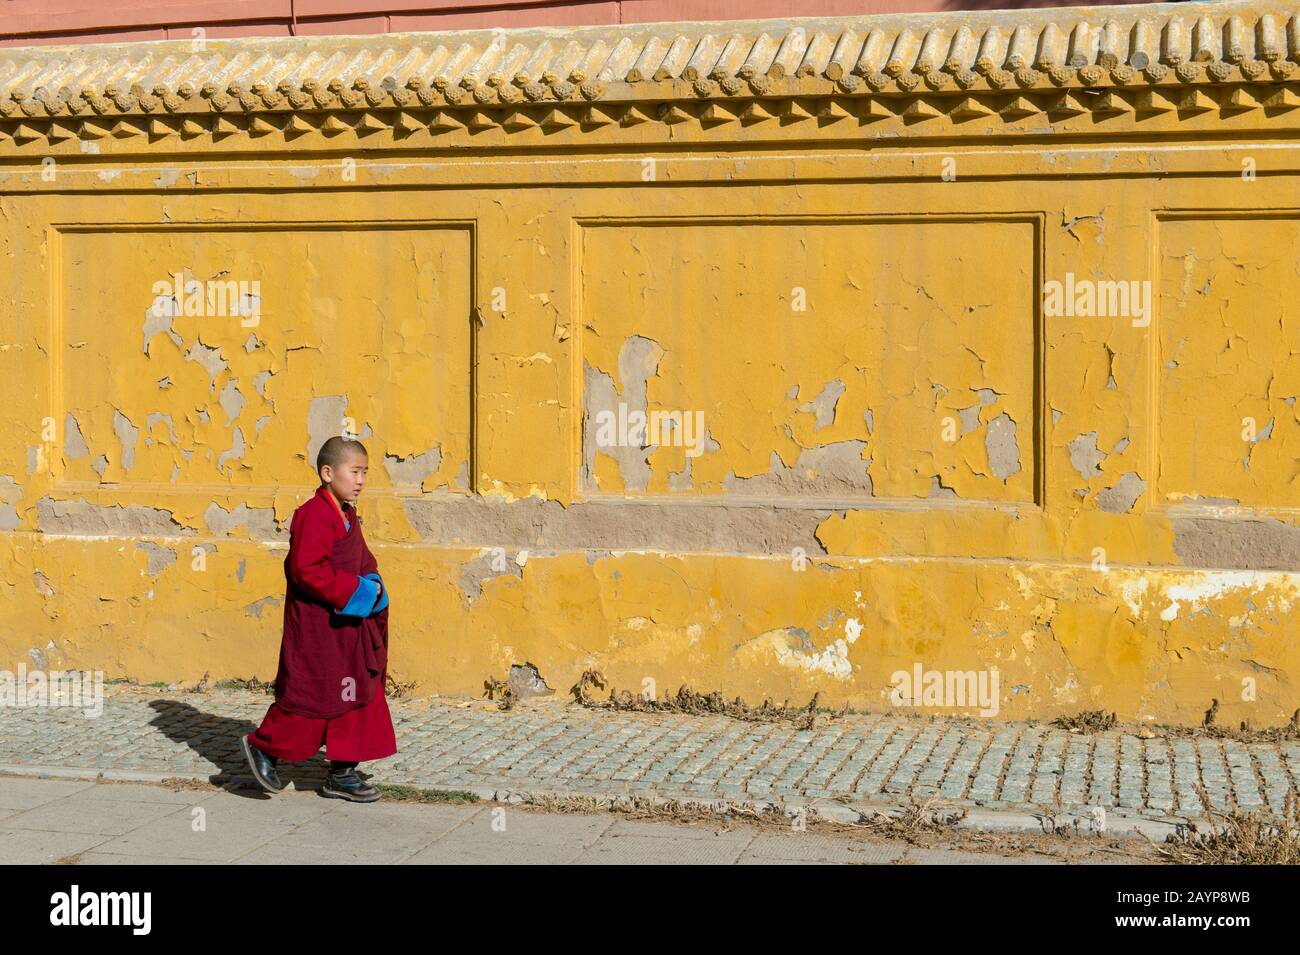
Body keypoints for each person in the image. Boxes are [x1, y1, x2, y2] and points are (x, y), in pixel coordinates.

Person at [239, 435, 396, 802]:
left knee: (358, 690)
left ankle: (342, 772)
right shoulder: (314, 514)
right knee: (314, 694)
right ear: (328, 473)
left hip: (349, 627)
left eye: (364, 473)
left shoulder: (346, 513)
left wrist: (374, 586)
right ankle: (265, 747)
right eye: (354, 472)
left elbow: (362, 560)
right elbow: (306, 569)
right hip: (319, 627)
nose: (360, 481)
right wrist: (355, 592)